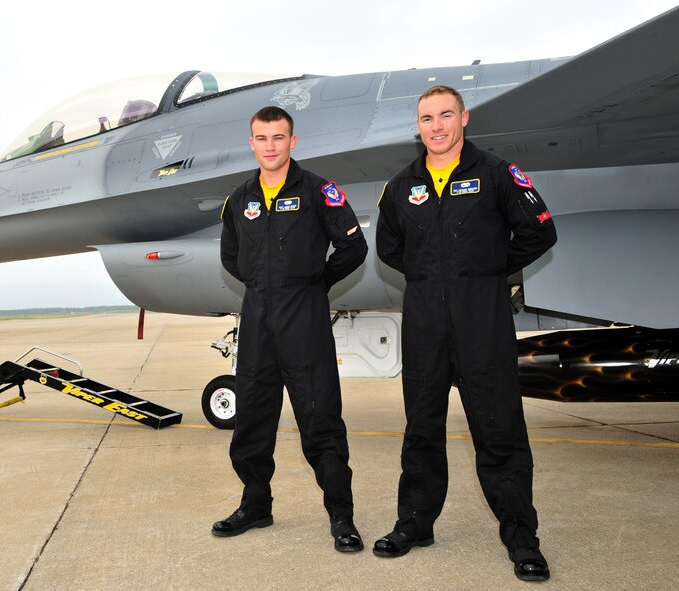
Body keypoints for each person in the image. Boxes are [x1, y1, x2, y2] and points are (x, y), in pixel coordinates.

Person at [374, 86, 557, 581]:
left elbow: (541, 230)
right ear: (419, 126)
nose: (437, 126)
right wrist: (433, 271)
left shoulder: (497, 174)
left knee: (499, 431)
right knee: (422, 429)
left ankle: (521, 537)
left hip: (483, 319)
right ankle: (415, 522)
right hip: (425, 321)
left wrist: (488, 268)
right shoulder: (401, 186)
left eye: (446, 115)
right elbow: (389, 247)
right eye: (427, 118)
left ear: (464, 118)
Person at [214, 105, 369, 553]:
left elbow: (353, 246)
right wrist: (263, 283)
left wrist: (315, 281)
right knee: (252, 421)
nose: (270, 146)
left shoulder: (320, 191)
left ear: (292, 141)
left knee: (320, 420)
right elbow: (231, 256)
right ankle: (255, 505)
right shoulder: (239, 198)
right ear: (252, 143)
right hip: (258, 315)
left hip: (305, 317)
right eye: (262, 139)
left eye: (278, 138)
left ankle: (342, 516)